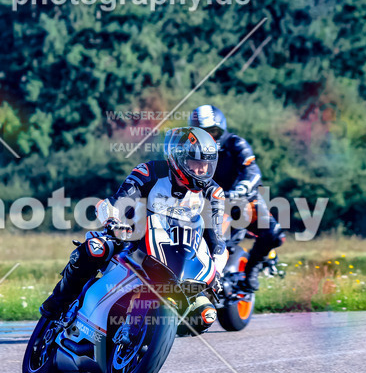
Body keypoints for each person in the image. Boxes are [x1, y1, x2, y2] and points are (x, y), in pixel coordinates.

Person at [38, 127, 228, 326]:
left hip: (179, 255)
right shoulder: (149, 172)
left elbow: (217, 240)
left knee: (204, 315)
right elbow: (117, 202)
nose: (200, 170)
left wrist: (217, 273)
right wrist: (113, 221)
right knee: (95, 248)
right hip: (131, 239)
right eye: (195, 163)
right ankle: (57, 304)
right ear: (177, 159)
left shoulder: (213, 193)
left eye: (205, 165)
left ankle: (153, 332)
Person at [188, 105, 284, 293]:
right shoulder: (188, 150)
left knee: (274, 233)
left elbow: (252, 170)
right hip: (207, 203)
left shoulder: (235, 144)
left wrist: (241, 189)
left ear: (221, 128)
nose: (209, 137)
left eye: (213, 131)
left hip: (242, 199)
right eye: (202, 133)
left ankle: (251, 270)